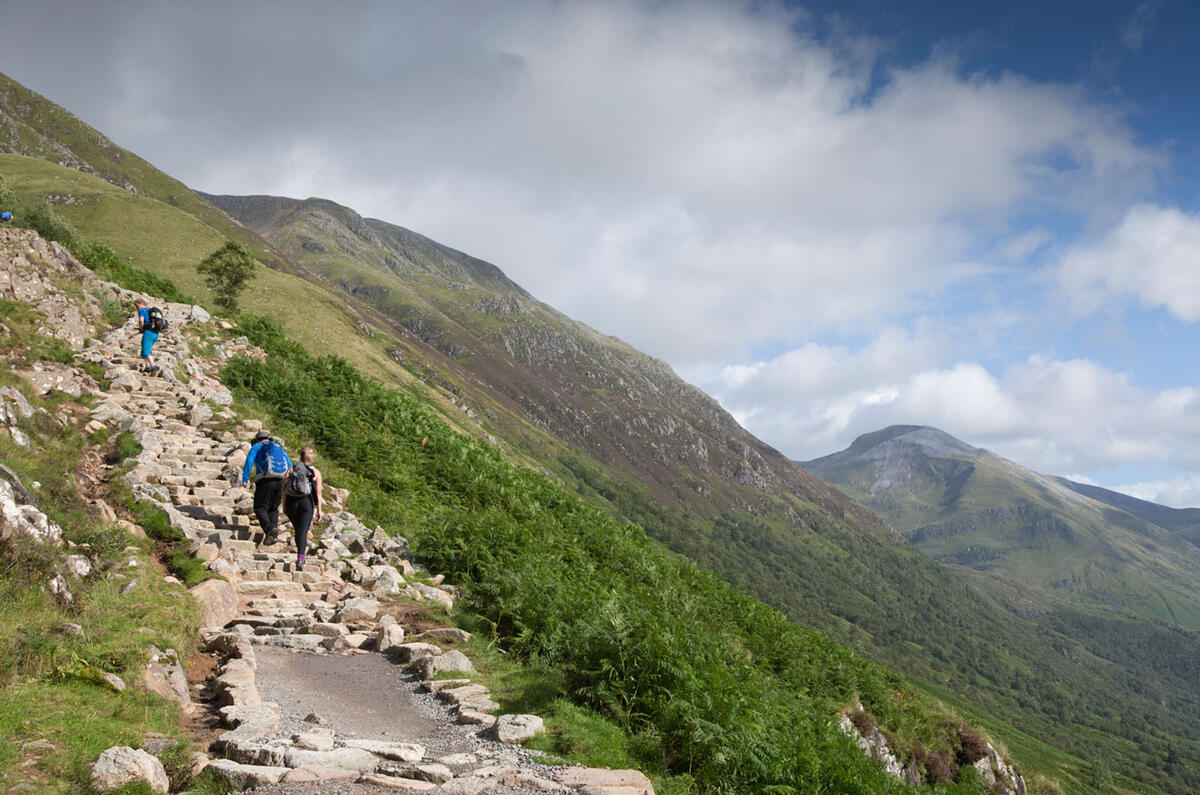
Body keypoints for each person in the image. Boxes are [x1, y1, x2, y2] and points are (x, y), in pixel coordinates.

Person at [241, 430, 291, 546]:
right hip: (281, 481)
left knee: (259, 508)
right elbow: (289, 465)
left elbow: (249, 461)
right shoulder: (278, 447)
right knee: (273, 509)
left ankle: (269, 529)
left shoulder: (257, 446)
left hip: (265, 480)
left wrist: (245, 478)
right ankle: (273, 534)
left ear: (257, 440)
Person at [282, 445, 323, 571]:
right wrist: (319, 510)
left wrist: (284, 505)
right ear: (312, 457)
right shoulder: (315, 472)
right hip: (306, 503)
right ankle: (300, 558)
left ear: (300, 455)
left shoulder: (292, 468)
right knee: (302, 531)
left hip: (291, 504)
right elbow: (318, 492)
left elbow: (284, 487)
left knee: (298, 530)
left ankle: (300, 556)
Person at [133, 299, 159, 376]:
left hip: (148, 332)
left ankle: (153, 366)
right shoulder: (150, 311)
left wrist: (141, 328)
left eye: (136, 305)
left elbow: (141, 320)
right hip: (155, 333)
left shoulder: (142, 310)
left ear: (140, 303)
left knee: (145, 351)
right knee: (145, 349)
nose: (136, 307)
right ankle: (147, 366)